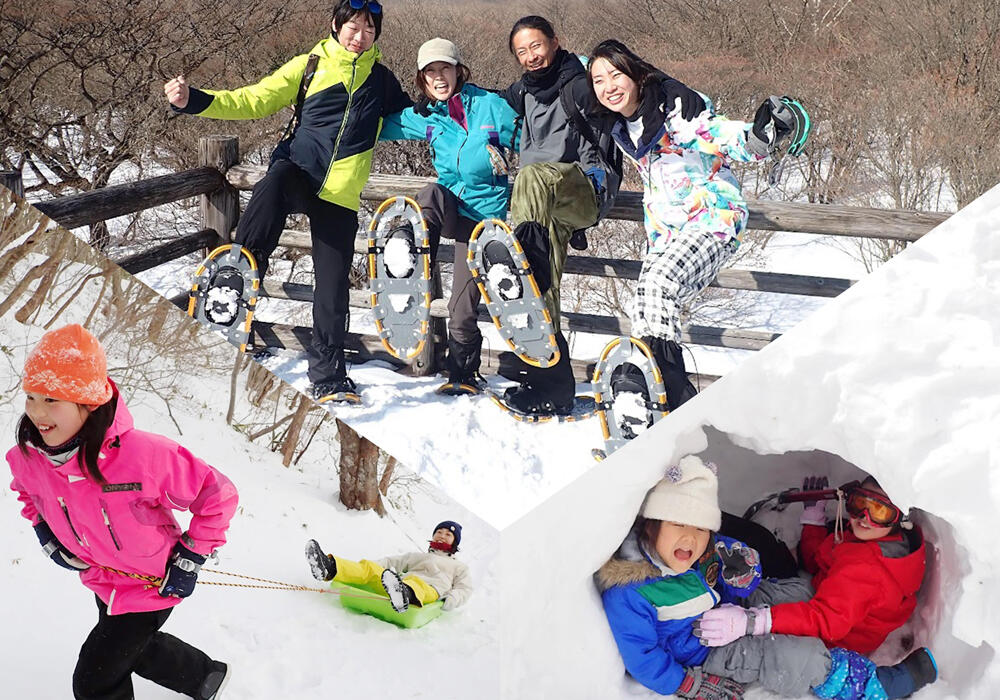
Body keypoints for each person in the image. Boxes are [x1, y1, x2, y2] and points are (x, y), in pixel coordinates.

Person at [164, 0, 412, 400]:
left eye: (369, 29)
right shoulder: (309, 65)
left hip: (340, 195)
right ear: (335, 25)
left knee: (332, 290)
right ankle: (239, 272)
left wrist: (461, 111)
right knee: (275, 181)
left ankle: (329, 377)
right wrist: (193, 100)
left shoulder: (382, 81)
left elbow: (411, 120)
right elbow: (254, 100)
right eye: (353, 27)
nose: (360, 36)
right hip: (299, 173)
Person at [6, 324, 239, 700]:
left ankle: (199, 676)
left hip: (152, 584)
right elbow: (28, 495)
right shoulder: (29, 458)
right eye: (31, 397)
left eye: (51, 400)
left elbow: (218, 495)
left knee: (94, 680)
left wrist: (191, 556)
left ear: (88, 403)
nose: (37, 412)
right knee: (130, 648)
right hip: (101, 579)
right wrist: (45, 534)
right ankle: (204, 677)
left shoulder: (143, 456)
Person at [495, 17, 707, 416]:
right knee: (541, 282)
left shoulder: (578, 82)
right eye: (522, 51)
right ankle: (551, 383)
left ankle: (524, 267)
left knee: (532, 180)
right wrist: (441, 96)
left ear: (555, 41)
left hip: (585, 187)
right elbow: (484, 100)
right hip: (541, 205)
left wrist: (669, 85)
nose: (531, 56)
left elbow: (628, 77)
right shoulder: (524, 90)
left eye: (536, 46)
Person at [587, 39, 795, 410]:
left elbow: (713, 132)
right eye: (599, 80)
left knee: (658, 284)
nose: (609, 86)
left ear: (636, 73)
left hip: (712, 218)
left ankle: (667, 401)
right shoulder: (621, 124)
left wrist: (756, 138)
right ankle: (672, 404)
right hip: (665, 232)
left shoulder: (675, 107)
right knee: (645, 310)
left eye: (616, 75)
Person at [693, 476, 938, 699]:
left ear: (899, 519)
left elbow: (827, 621)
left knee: (791, 655)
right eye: (859, 503)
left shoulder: (869, 569)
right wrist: (813, 522)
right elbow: (822, 562)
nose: (864, 516)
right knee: (790, 592)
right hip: (827, 605)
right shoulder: (875, 538)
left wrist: (753, 622)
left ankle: (710, 654)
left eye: (879, 511)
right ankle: (727, 603)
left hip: (836, 640)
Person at [379, 38, 520, 393]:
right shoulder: (427, 115)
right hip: (447, 208)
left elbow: (535, 138)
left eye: (445, 68)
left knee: (461, 308)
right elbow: (377, 126)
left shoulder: (492, 106)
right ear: (422, 78)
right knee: (430, 192)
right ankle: (408, 248)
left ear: (459, 71)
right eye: (430, 71)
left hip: (482, 222)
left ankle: (462, 375)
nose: (439, 77)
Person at [596, 455, 763, 698]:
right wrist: (685, 683)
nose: (690, 537)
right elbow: (642, 656)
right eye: (678, 524)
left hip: (730, 615)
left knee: (795, 596)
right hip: (704, 650)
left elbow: (734, 574)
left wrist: (745, 576)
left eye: (701, 528)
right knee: (780, 656)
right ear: (651, 526)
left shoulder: (708, 550)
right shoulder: (630, 592)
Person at [305, 520, 472, 613]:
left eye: (448, 534)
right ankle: (328, 567)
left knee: (415, 583)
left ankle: (404, 595)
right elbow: (391, 562)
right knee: (371, 568)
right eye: (439, 532)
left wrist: (451, 599)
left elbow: (464, 588)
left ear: (454, 542)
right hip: (396, 586)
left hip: (429, 591)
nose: (442, 535)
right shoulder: (419, 556)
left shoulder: (459, 566)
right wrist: (369, 569)